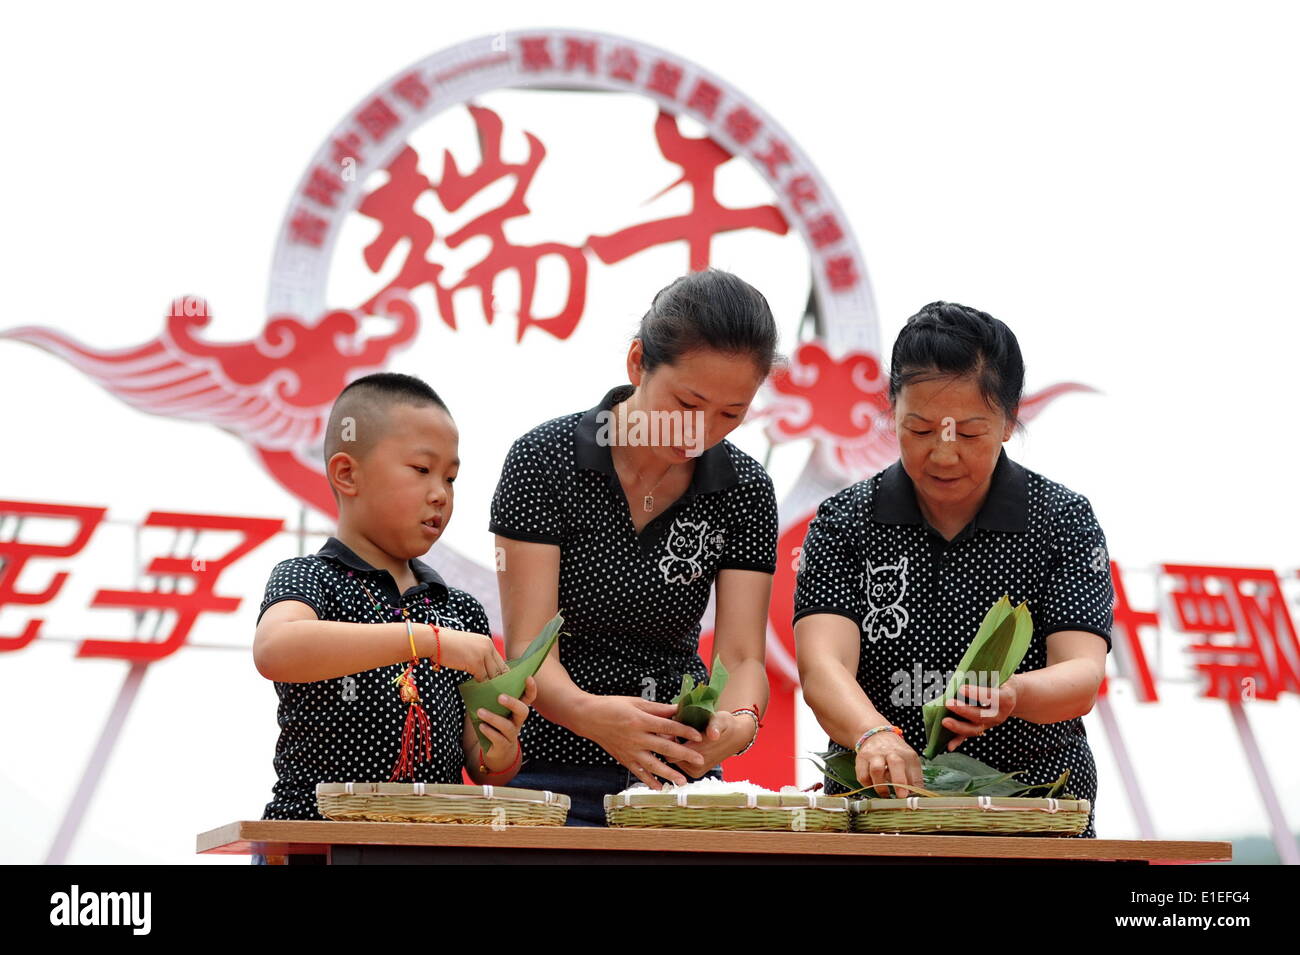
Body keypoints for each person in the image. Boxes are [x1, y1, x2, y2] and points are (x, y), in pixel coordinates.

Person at [793, 301, 1113, 838]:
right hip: (881, 810)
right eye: (919, 430)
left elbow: (1081, 674)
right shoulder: (846, 521)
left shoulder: (1061, 521)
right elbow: (823, 665)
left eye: (969, 433)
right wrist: (873, 735)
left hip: (1032, 807)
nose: (943, 456)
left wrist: (1014, 695)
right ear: (891, 410)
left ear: (1011, 420)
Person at [489, 268, 780, 826]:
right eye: (687, 402)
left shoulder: (745, 488)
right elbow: (529, 646)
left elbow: (742, 656)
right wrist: (590, 715)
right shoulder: (543, 461)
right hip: (550, 770)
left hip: (676, 776)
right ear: (637, 362)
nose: (700, 433)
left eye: (730, 415)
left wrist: (739, 723)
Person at [250, 372, 535, 863]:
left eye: (450, 477)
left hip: (432, 850)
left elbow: (483, 765)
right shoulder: (310, 580)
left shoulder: (459, 609)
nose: (440, 493)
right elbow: (276, 650)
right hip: (318, 846)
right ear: (347, 474)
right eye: (421, 469)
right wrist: (427, 642)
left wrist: (501, 749)